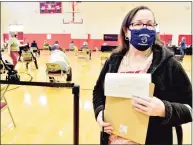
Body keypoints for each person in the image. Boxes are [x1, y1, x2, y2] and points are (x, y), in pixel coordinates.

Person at [92, 6, 192, 145]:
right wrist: (99, 112)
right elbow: (98, 91)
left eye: (150, 24)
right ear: (126, 31)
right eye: (138, 24)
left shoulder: (169, 64)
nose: (144, 28)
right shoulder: (114, 60)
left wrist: (164, 109)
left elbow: (189, 108)